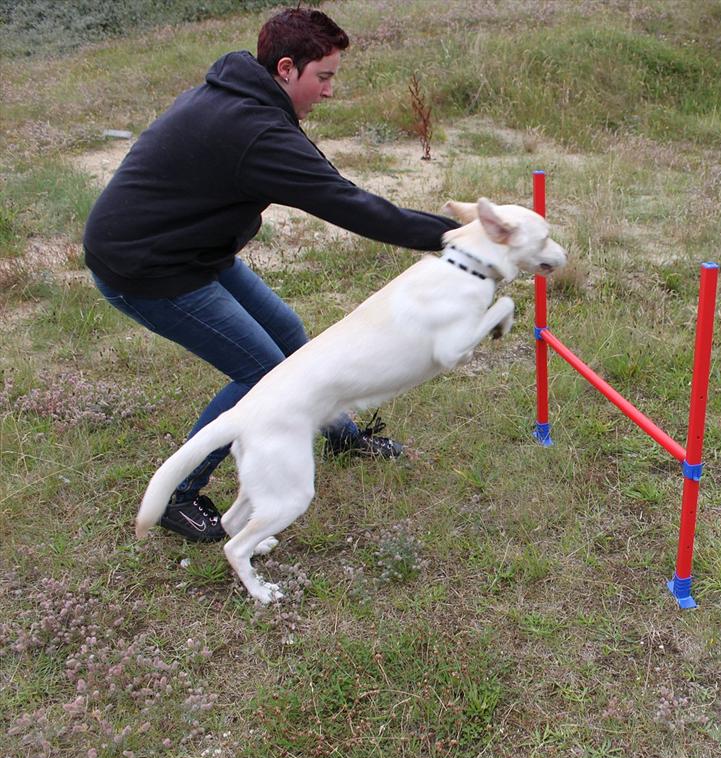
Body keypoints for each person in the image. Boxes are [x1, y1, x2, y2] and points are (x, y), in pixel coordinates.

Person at [83, 7, 459, 543]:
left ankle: (339, 434)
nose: (330, 91)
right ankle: (179, 497)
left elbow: (328, 182)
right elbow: (345, 203)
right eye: (323, 76)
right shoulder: (253, 130)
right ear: (286, 69)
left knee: (289, 337)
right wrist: (453, 238)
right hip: (145, 267)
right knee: (261, 373)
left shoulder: (243, 95)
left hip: (192, 251)